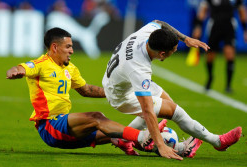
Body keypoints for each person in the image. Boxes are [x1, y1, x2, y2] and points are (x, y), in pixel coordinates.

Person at [102, 20, 242, 160]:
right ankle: (217, 141)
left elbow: (159, 23)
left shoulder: (146, 35)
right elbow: (147, 110)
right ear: (162, 54)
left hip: (122, 81)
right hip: (121, 96)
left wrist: (185, 39)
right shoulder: (139, 68)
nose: (175, 51)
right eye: (173, 51)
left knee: (168, 103)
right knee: (174, 112)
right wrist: (161, 145)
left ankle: (124, 140)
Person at [6, 27, 157, 157]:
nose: (72, 50)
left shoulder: (70, 68)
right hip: (49, 125)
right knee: (96, 117)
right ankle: (141, 136)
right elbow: (20, 68)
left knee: (109, 128)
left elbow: (86, 90)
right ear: (54, 47)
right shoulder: (41, 64)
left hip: (64, 127)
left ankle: (177, 147)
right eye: (68, 46)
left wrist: (114, 93)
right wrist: (14, 72)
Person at [192, 0, 247, 92]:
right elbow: (203, 11)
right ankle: (210, 77)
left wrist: (245, 29)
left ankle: (228, 85)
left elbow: (242, 11)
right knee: (210, 56)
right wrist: (198, 26)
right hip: (214, 27)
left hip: (229, 27)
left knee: (230, 54)